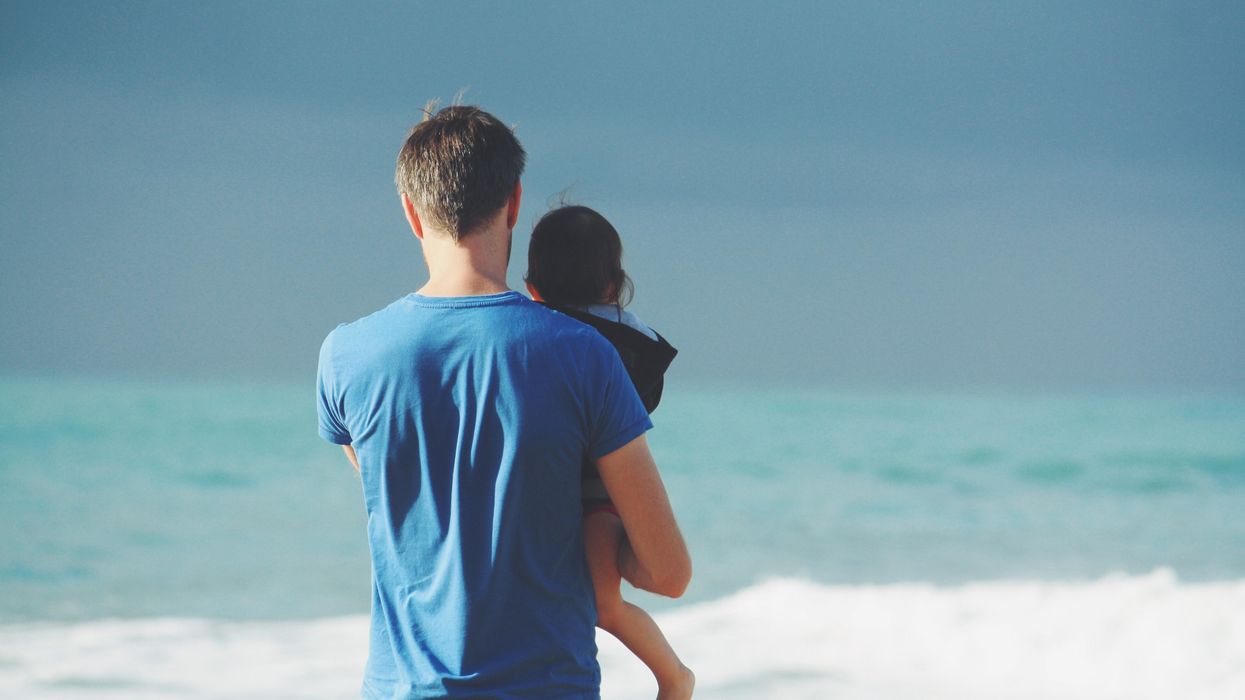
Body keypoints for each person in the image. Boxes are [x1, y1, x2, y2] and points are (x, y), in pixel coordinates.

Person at [316, 104, 691, 699]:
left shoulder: (345, 357)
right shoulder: (584, 354)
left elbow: (407, 506)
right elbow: (669, 574)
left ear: (412, 213)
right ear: (514, 203)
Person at [526, 205, 694, 699]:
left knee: (602, 603)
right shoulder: (632, 336)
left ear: (533, 286)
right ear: (615, 282)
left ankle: (674, 676)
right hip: (598, 488)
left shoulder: (545, 335)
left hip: (601, 487)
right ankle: (672, 675)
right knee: (602, 602)